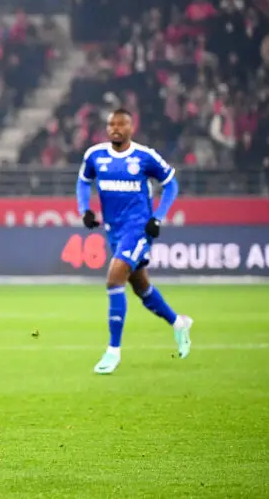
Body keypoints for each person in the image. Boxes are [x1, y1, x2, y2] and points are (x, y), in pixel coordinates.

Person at [76, 108, 193, 375]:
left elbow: (171, 184)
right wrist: (84, 209)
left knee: (114, 278)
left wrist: (159, 217)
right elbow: (83, 182)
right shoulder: (95, 155)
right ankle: (178, 323)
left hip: (139, 229)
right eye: (111, 124)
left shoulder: (144, 156)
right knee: (141, 287)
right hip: (114, 230)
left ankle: (112, 351)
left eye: (121, 124)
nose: (115, 128)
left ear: (131, 127)